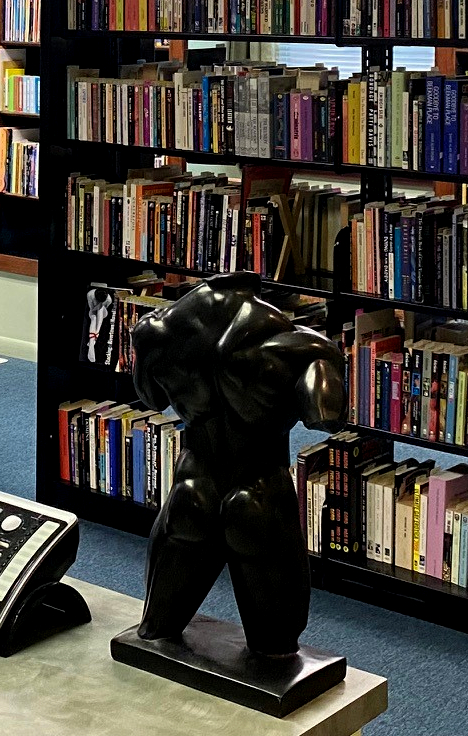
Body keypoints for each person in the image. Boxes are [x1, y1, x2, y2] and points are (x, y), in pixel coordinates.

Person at [129, 274, 344, 656]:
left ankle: (158, 631)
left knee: (157, 630)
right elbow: (327, 416)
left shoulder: (158, 332)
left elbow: (150, 399)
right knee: (276, 650)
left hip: (194, 484)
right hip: (258, 489)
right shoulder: (296, 345)